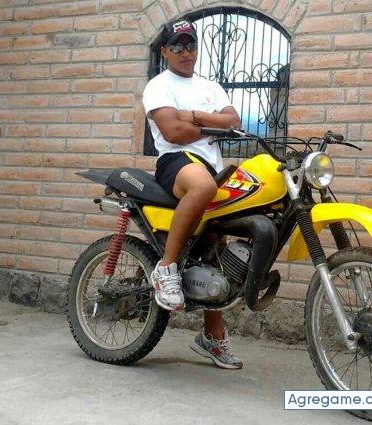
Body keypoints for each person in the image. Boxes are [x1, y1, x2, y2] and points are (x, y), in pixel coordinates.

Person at [142, 20, 243, 369]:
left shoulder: (210, 86)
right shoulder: (159, 85)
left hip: (211, 165)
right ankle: (166, 269)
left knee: (217, 248)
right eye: (177, 46)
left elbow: (234, 120)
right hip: (176, 163)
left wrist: (194, 117)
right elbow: (172, 132)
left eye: (191, 45)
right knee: (203, 186)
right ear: (165, 51)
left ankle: (213, 337)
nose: (185, 52)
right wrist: (213, 125)